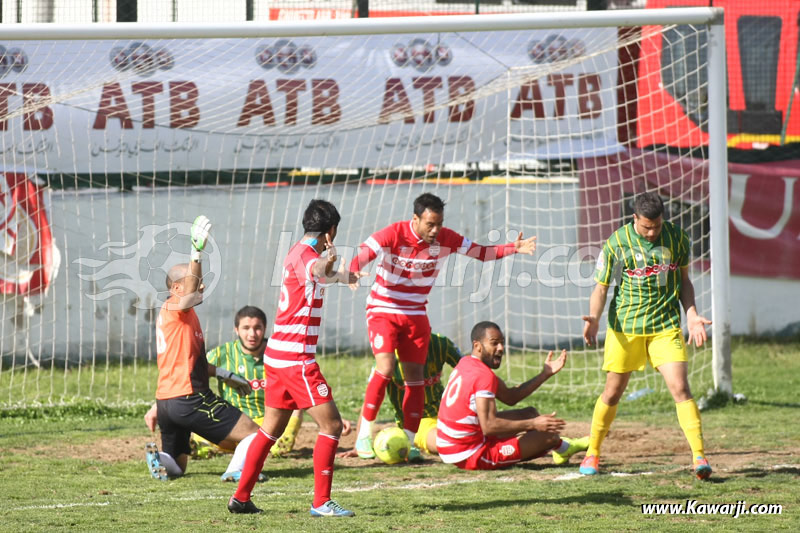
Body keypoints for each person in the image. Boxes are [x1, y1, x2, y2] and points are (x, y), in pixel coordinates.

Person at [349, 192, 538, 461]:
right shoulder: (394, 233)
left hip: (415, 313)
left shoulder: (446, 238)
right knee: (387, 367)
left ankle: (410, 441)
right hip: (383, 310)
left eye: (439, 223)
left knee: (416, 379)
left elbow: (481, 253)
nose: (435, 230)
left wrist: (512, 248)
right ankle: (364, 435)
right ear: (415, 219)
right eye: (430, 224)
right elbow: (365, 252)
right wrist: (354, 269)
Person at [228, 199, 366, 517]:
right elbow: (318, 269)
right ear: (331, 231)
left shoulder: (295, 251)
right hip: (296, 360)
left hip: (277, 356)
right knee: (331, 426)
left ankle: (241, 497)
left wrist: (345, 276)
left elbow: (320, 275)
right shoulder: (310, 258)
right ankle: (321, 502)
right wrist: (331, 261)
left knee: (270, 430)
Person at [580, 192, 713, 479]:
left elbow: (684, 281)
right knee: (612, 393)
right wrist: (594, 318)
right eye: (646, 227)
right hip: (625, 329)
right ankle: (593, 452)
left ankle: (699, 456)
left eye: (657, 226)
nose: (652, 233)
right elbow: (601, 288)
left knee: (681, 388)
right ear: (634, 219)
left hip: (665, 326)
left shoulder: (678, 238)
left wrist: (691, 315)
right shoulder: (617, 242)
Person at [146, 216, 264, 483]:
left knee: (177, 466)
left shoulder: (180, 316)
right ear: (176, 288)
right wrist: (196, 253)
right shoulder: (178, 308)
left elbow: (190, 363)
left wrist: (225, 374)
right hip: (190, 398)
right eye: (193, 281)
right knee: (255, 435)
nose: (201, 285)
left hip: (167, 402)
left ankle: (160, 460)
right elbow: (188, 294)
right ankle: (236, 471)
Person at [144, 305, 306, 462]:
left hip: (267, 420)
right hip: (230, 422)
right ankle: (208, 449)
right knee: (213, 433)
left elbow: (297, 393)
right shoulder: (222, 354)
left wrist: (292, 427)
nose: (252, 334)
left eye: (257, 328)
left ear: (265, 328)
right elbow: (186, 374)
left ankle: (202, 448)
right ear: (236, 330)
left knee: (270, 442)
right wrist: (157, 406)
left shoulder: (278, 354)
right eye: (246, 328)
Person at [436, 321, 588, 470]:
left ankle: (563, 448)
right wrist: (534, 424)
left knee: (529, 413)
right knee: (548, 436)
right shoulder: (483, 376)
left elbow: (510, 396)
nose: (501, 348)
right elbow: (489, 426)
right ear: (477, 346)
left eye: (502, 343)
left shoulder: (466, 363)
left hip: (452, 445)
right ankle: (564, 447)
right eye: (494, 343)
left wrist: (545, 374)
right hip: (468, 454)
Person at [338, 332, 464, 459]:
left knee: (474, 431)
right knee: (447, 443)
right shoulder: (387, 359)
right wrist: (359, 443)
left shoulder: (439, 343)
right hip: (419, 423)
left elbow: (470, 369)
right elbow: (370, 401)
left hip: (449, 411)